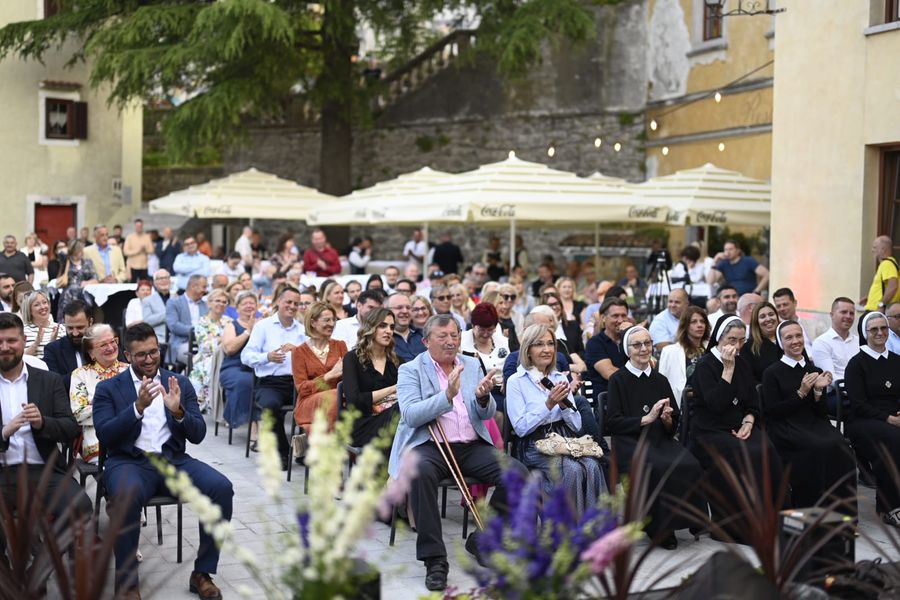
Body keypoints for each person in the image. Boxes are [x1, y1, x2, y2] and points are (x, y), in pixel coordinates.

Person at [93, 322, 233, 598]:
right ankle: (127, 584)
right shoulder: (108, 388)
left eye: (153, 352)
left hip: (173, 461)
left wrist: (179, 411)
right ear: (127, 355)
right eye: (141, 354)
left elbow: (199, 435)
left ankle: (202, 573)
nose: (149, 359)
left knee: (221, 488)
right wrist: (137, 408)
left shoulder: (178, 382)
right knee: (125, 497)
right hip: (129, 463)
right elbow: (105, 434)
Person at [389, 314, 517, 591]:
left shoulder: (470, 364)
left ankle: (483, 539)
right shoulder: (411, 369)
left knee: (516, 473)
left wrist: (483, 398)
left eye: (455, 335)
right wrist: (446, 396)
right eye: (443, 336)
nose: (451, 341)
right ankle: (435, 560)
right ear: (426, 341)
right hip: (429, 445)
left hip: (470, 445)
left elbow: (486, 413)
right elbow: (410, 415)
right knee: (418, 472)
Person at [606, 325, 705, 549]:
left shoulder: (660, 379)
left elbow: (673, 421)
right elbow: (612, 422)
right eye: (637, 345)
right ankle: (660, 529)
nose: (643, 349)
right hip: (631, 442)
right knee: (656, 467)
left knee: (690, 463)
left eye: (647, 343)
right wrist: (646, 418)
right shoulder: (618, 380)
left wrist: (667, 420)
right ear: (627, 350)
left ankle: (690, 519)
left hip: (660, 439)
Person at [688, 315, 784, 542]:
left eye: (742, 340)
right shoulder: (705, 366)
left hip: (740, 425)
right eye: (732, 340)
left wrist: (749, 420)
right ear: (719, 338)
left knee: (766, 449)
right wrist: (728, 370)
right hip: (710, 431)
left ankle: (772, 521)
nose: (737, 346)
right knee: (744, 454)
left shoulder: (742, 362)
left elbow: (752, 400)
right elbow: (716, 405)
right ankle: (736, 528)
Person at [0, 312, 92, 546]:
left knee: (80, 507)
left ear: (24, 341)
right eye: (0, 342)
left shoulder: (48, 380)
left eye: (11, 340)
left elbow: (70, 428)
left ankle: (46, 559)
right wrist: (4, 432)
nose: (5, 347)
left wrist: (42, 423)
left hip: (43, 471)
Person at [506, 323, 606, 510]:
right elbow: (520, 428)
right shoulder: (516, 381)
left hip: (564, 439)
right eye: (539, 344)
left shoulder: (559, 378)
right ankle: (567, 524)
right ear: (528, 350)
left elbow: (577, 426)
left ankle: (594, 523)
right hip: (533, 444)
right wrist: (548, 404)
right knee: (573, 470)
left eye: (550, 344)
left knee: (592, 465)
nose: (547, 349)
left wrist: (564, 407)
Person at [762, 321, 856, 513]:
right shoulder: (771, 373)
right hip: (786, 426)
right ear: (781, 342)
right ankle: (813, 511)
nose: (795, 341)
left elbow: (820, 412)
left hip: (813, 423)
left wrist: (818, 391)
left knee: (841, 446)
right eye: (789, 337)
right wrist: (801, 392)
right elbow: (773, 412)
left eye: (798, 336)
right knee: (818, 448)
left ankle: (842, 512)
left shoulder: (813, 369)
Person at [844, 311, 900, 526]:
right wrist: (888, 418)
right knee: (893, 439)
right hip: (863, 420)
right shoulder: (856, 364)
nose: (880, 332)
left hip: (893, 418)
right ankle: (889, 507)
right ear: (865, 333)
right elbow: (858, 404)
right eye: (874, 329)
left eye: (883, 328)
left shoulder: (896, 360)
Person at [241, 286, 307, 469]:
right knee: (270, 407)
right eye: (288, 302)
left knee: (317, 403)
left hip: (297, 382)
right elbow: (246, 356)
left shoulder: (302, 330)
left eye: (296, 303)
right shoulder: (263, 326)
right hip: (270, 383)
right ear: (279, 301)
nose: (292, 306)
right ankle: (283, 451)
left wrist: (299, 352)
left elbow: (311, 359)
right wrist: (267, 357)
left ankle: (306, 451)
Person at [69, 323, 129, 463]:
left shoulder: (130, 370)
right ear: (91, 353)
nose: (111, 347)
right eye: (103, 345)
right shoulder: (80, 375)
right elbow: (78, 414)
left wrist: (99, 406)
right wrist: (116, 406)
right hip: (96, 439)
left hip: (131, 434)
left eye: (113, 341)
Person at [342, 308, 401, 447]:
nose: (388, 331)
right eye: (382, 326)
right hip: (364, 425)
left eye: (392, 327)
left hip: (394, 422)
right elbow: (354, 401)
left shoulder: (397, 361)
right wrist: (393, 389)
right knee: (401, 410)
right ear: (370, 328)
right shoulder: (352, 358)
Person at [292, 302, 347, 433]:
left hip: (339, 399)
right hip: (310, 401)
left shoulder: (340, 346)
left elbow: (349, 377)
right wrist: (328, 376)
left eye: (333, 320)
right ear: (313, 322)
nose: (332, 324)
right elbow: (302, 389)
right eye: (327, 320)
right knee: (334, 396)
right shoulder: (299, 352)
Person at [220, 291, 258, 439]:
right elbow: (229, 349)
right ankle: (253, 428)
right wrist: (248, 331)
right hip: (234, 366)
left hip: (256, 366)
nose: (248, 306)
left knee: (267, 383)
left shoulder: (263, 324)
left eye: (251, 303)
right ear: (237, 308)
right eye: (244, 303)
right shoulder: (231, 325)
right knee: (246, 381)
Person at [189, 289, 231, 411]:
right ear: (209, 303)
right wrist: (224, 340)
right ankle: (212, 404)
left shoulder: (229, 321)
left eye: (224, 302)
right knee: (208, 367)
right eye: (217, 301)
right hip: (207, 358)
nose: (221, 304)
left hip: (228, 356)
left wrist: (219, 340)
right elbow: (206, 347)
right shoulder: (202, 322)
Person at [657, 306, 710, 405]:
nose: (699, 325)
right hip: (681, 404)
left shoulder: (712, 350)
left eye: (702, 321)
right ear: (685, 325)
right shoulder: (670, 351)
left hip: (707, 404)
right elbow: (661, 384)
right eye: (694, 322)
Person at [460, 303, 509, 406]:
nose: (486, 334)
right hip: (474, 391)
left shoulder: (503, 341)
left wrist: (507, 380)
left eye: (490, 329)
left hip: (502, 390)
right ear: (473, 325)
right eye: (481, 329)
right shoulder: (461, 341)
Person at [583, 298, 633, 399]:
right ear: (603, 318)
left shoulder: (632, 340)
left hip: (633, 395)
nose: (620, 320)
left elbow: (649, 364)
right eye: (615, 316)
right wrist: (637, 376)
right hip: (608, 399)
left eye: (624, 315)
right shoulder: (595, 343)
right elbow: (610, 373)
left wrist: (631, 334)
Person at [44, 299, 92, 389]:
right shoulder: (53, 350)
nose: (75, 333)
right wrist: (85, 374)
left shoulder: (104, 345)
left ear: (90, 322)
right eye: (70, 328)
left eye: (80, 327)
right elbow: (54, 383)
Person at [811, 297, 859, 382]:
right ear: (832, 315)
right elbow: (829, 378)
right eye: (844, 312)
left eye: (851, 313)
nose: (848, 316)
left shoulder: (859, 341)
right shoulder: (821, 343)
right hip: (837, 389)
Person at [165, 275, 209, 364]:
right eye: (204, 287)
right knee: (198, 358)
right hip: (181, 343)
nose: (205, 290)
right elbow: (174, 326)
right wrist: (196, 330)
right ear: (193, 286)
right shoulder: (174, 302)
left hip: (204, 343)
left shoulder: (206, 305)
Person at [55, 239, 99, 321]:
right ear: (74, 250)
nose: (82, 252)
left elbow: (95, 279)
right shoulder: (66, 261)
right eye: (80, 250)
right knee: (65, 317)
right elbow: (61, 253)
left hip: (83, 295)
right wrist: (68, 250)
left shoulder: (87, 262)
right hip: (68, 295)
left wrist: (87, 282)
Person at [745, 302, 783, 383]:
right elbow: (748, 379)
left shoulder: (789, 339)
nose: (768, 319)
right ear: (756, 322)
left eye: (771, 314)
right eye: (762, 317)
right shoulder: (748, 347)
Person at [860, 235, 899, 312]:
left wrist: (881, 304)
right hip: (875, 309)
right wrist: (870, 298)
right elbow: (886, 287)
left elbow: (893, 286)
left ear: (883, 249)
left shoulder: (887, 264)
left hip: (876, 310)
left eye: (875, 247)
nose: (872, 250)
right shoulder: (889, 264)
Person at [22, 291, 64, 360]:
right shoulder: (23, 331)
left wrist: (52, 343)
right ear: (29, 309)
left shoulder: (60, 328)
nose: (42, 307)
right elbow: (22, 359)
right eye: (37, 305)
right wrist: (36, 343)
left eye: (44, 302)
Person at [387, 292, 426, 363]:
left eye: (408, 307)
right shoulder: (383, 339)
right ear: (387, 311)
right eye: (399, 307)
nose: (405, 311)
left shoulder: (424, 335)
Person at [484, 284, 523, 351]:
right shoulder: (479, 324)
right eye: (501, 303)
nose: (504, 306)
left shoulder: (509, 325)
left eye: (513, 297)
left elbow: (516, 348)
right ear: (493, 303)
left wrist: (505, 340)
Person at [142, 269, 172, 344]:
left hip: (177, 338)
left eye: (166, 278)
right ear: (155, 282)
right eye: (160, 278)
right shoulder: (147, 300)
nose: (164, 280)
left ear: (170, 280)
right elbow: (147, 321)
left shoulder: (177, 298)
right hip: (158, 339)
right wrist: (167, 314)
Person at [556, 276, 585, 340]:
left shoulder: (580, 305)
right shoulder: (555, 305)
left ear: (573, 289)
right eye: (564, 287)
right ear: (558, 289)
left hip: (577, 338)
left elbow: (585, 325)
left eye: (569, 287)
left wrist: (575, 324)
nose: (567, 289)